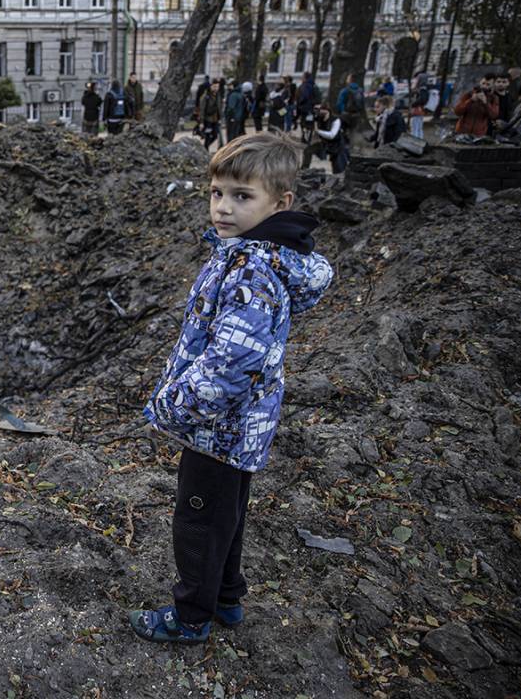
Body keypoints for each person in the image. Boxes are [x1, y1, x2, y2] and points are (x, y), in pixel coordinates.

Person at [129, 132, 334, 644]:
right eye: (217, 192)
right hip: (239, 429)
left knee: (198, 522)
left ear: (280, 203)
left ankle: (191, 617)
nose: (223, 207)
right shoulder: (248, 254)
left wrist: (174, 407)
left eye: (242, 197)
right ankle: (226, 597)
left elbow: (231, 364)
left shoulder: (252, 269)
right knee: (227, 516)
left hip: (218, 428)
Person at [301, 102, 348, 173]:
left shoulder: (335, 120)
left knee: (338, 169)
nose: (318, 111)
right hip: (324, 144)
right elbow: (308, 122)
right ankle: (304, 170)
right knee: (308, 151)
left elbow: (332, 135)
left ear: (326, 110)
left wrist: (318, 131)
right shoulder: (318, 118)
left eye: (320, 109)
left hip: (337, 146)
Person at [197, 79, 222, 150]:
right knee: (207, 136)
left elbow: (219, 107)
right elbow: (202, 110)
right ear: (210, 86)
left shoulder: (218, 95)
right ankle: (205, 149)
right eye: (214, 87)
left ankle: (204, 148)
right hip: (208, 119)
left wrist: (220, 117)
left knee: (215, 135)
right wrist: (201, 122)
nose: (216, 88)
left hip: (215, 119)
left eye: (217, 87)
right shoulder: (205, 96)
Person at [296, 72, 321, 142]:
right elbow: (319, 98)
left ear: (305, 78)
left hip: (304, 108)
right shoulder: (314, 86)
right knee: (310, 123)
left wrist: (300, 103)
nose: (301, 78)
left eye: (302, 77)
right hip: (312, 108)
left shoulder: (304, 86)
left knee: (303, 123)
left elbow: (304, 96)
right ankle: (308, 136)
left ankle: (304, 136)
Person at [409, 74, 429, 139]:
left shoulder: (422, 89)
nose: (416, 81)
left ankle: (414, 142)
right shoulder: (425, 89)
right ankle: (420, 141)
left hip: (417, 111)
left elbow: (422, 99)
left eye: (417, 79)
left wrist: (413, 104)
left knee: (415, 128)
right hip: (421, 110)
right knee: (419, 128)